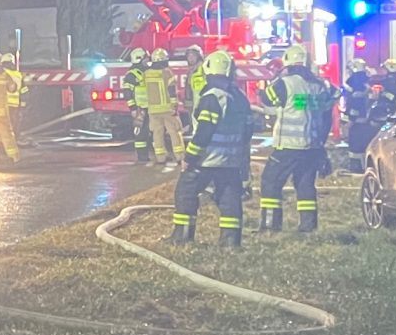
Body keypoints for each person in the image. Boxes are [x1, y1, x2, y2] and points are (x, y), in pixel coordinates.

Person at [172, 49, 252, 247]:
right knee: (229, 197)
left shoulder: (212, 97)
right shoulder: (240, 98)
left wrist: (189, 158)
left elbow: (204, 132)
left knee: (186, 191)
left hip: (207, 159)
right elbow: (249, 128)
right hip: (231, 160)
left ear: (208, 69)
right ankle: (231, 241)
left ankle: (182, 237)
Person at [257, 44, 334, 232]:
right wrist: (321, 144)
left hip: (288, 147)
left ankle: (270, 226)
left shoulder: (286, 83)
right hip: (312, 147)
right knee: (305, 184)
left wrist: (264, 86)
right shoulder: (318, 86)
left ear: (288, 63)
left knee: (270, 182)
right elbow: (326, 116)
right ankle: (308, 227)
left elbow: (267, 99)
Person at [140, 49, 185, 168]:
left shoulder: (147, 74)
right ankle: (179, 157)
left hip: (153, 110)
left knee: (157, 133)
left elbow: (143, 92)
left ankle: (160, 157)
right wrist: (175, 106)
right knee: (174, 132)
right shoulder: (167, 73)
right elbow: (172, 91)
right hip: (167, 109)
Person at [341, 61, 377, 169]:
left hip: (357, 122)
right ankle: (362, 166)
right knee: (363, 145)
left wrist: (351, 119)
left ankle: (356, 167)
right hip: (365, 121)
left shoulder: (355, 82)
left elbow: (355, 101)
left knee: (355, 146)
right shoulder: (365, 81)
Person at [123, 47, 152, 162]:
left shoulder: (145, 71)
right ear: (139, 59)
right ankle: (142, 157)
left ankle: (145, 156)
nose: (147, 61)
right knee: (141, 133)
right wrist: (133, 108)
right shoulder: (132, 75)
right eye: (145, 58)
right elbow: (127, 93)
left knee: (148, 132)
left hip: (148, 107)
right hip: (140, 109)